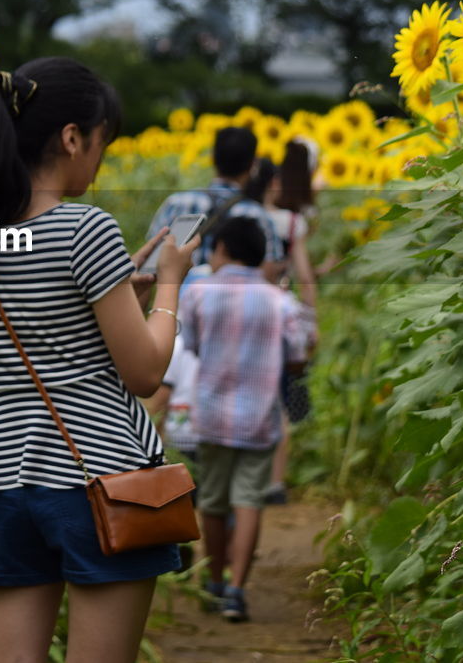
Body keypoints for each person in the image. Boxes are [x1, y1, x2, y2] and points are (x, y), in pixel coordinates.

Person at [0, 57, 200, 663]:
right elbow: (143, 374)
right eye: (101, 142)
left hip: (3, 476)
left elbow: (41, 321)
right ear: (72, 137)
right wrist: (168, 284)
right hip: (100, 477)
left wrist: (117, 287)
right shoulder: (87, 230)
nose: (100, 159)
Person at [180, 216, 287, 623]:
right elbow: (297, 352)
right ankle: (237, 591)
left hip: (211, 413)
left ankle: (212, 582)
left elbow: (188, 344)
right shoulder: (277, 299)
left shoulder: (200, 292)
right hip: (259, 418)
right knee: (249, 502)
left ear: (221, 248)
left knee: (211, 500)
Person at [245, 144, 320, 505]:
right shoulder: (291, 223)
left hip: (241, 314)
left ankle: (245, 478)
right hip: (279, 313)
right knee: (279, 397)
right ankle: (274, 484)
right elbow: (304, 276)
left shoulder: (242, 219)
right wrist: (311, 320)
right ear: (272, 183)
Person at [146, 126, 284, 277]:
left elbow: (150, 264)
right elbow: (268, 273)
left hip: (175, 299)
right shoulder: (259, 216)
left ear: (212, 157)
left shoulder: (175, 203)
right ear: (253, 165)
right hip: (233, 300)